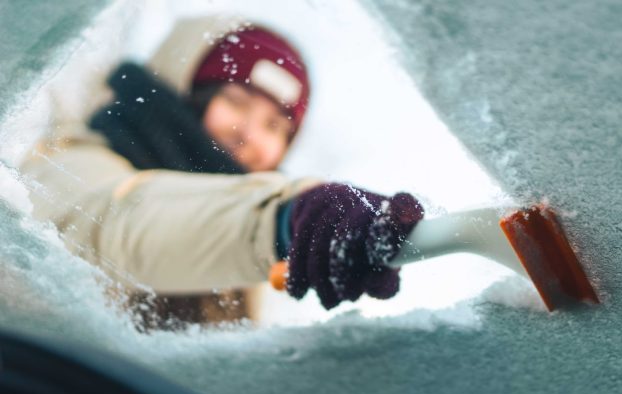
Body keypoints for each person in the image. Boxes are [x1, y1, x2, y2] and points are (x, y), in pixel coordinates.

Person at [19, 16, 423, 328]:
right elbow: (120, 226)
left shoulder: (262, 270)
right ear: (185, 92)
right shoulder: (68, 161)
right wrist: (284, 221)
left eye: (275, 127)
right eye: (235, 101)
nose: (250, 134)